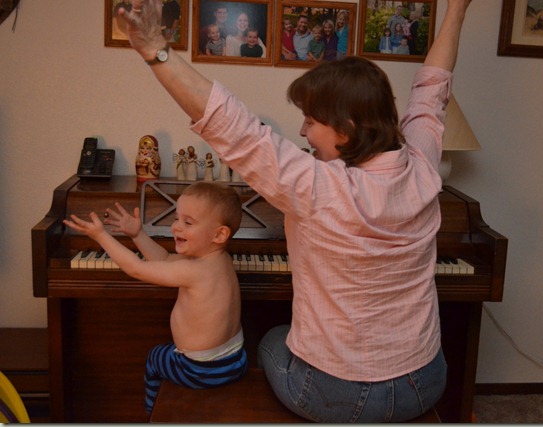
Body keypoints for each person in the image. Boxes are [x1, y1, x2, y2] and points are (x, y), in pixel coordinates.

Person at [116, 0, 472, 421]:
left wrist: (154, 47)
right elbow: (432, 90)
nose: (302, 130)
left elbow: (233, 127)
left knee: (271, 339)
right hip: (425, 380)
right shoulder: (423, 165)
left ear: (346, 131)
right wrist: (457, 9)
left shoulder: (320, 187)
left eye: (311, 121)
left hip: (341, 396)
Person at [62, 181, 247, 415]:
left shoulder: (194, 270)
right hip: (235, 360)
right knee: (170, 349)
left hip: (199, 369)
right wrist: (137, 235)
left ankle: (151, 413)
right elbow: (164, 259)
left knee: (154, 357)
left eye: (188, 222)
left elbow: (136, 268)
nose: (176, 227)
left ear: (219, 234)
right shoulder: (218, 259)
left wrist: (101, 236)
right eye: (176, 218)